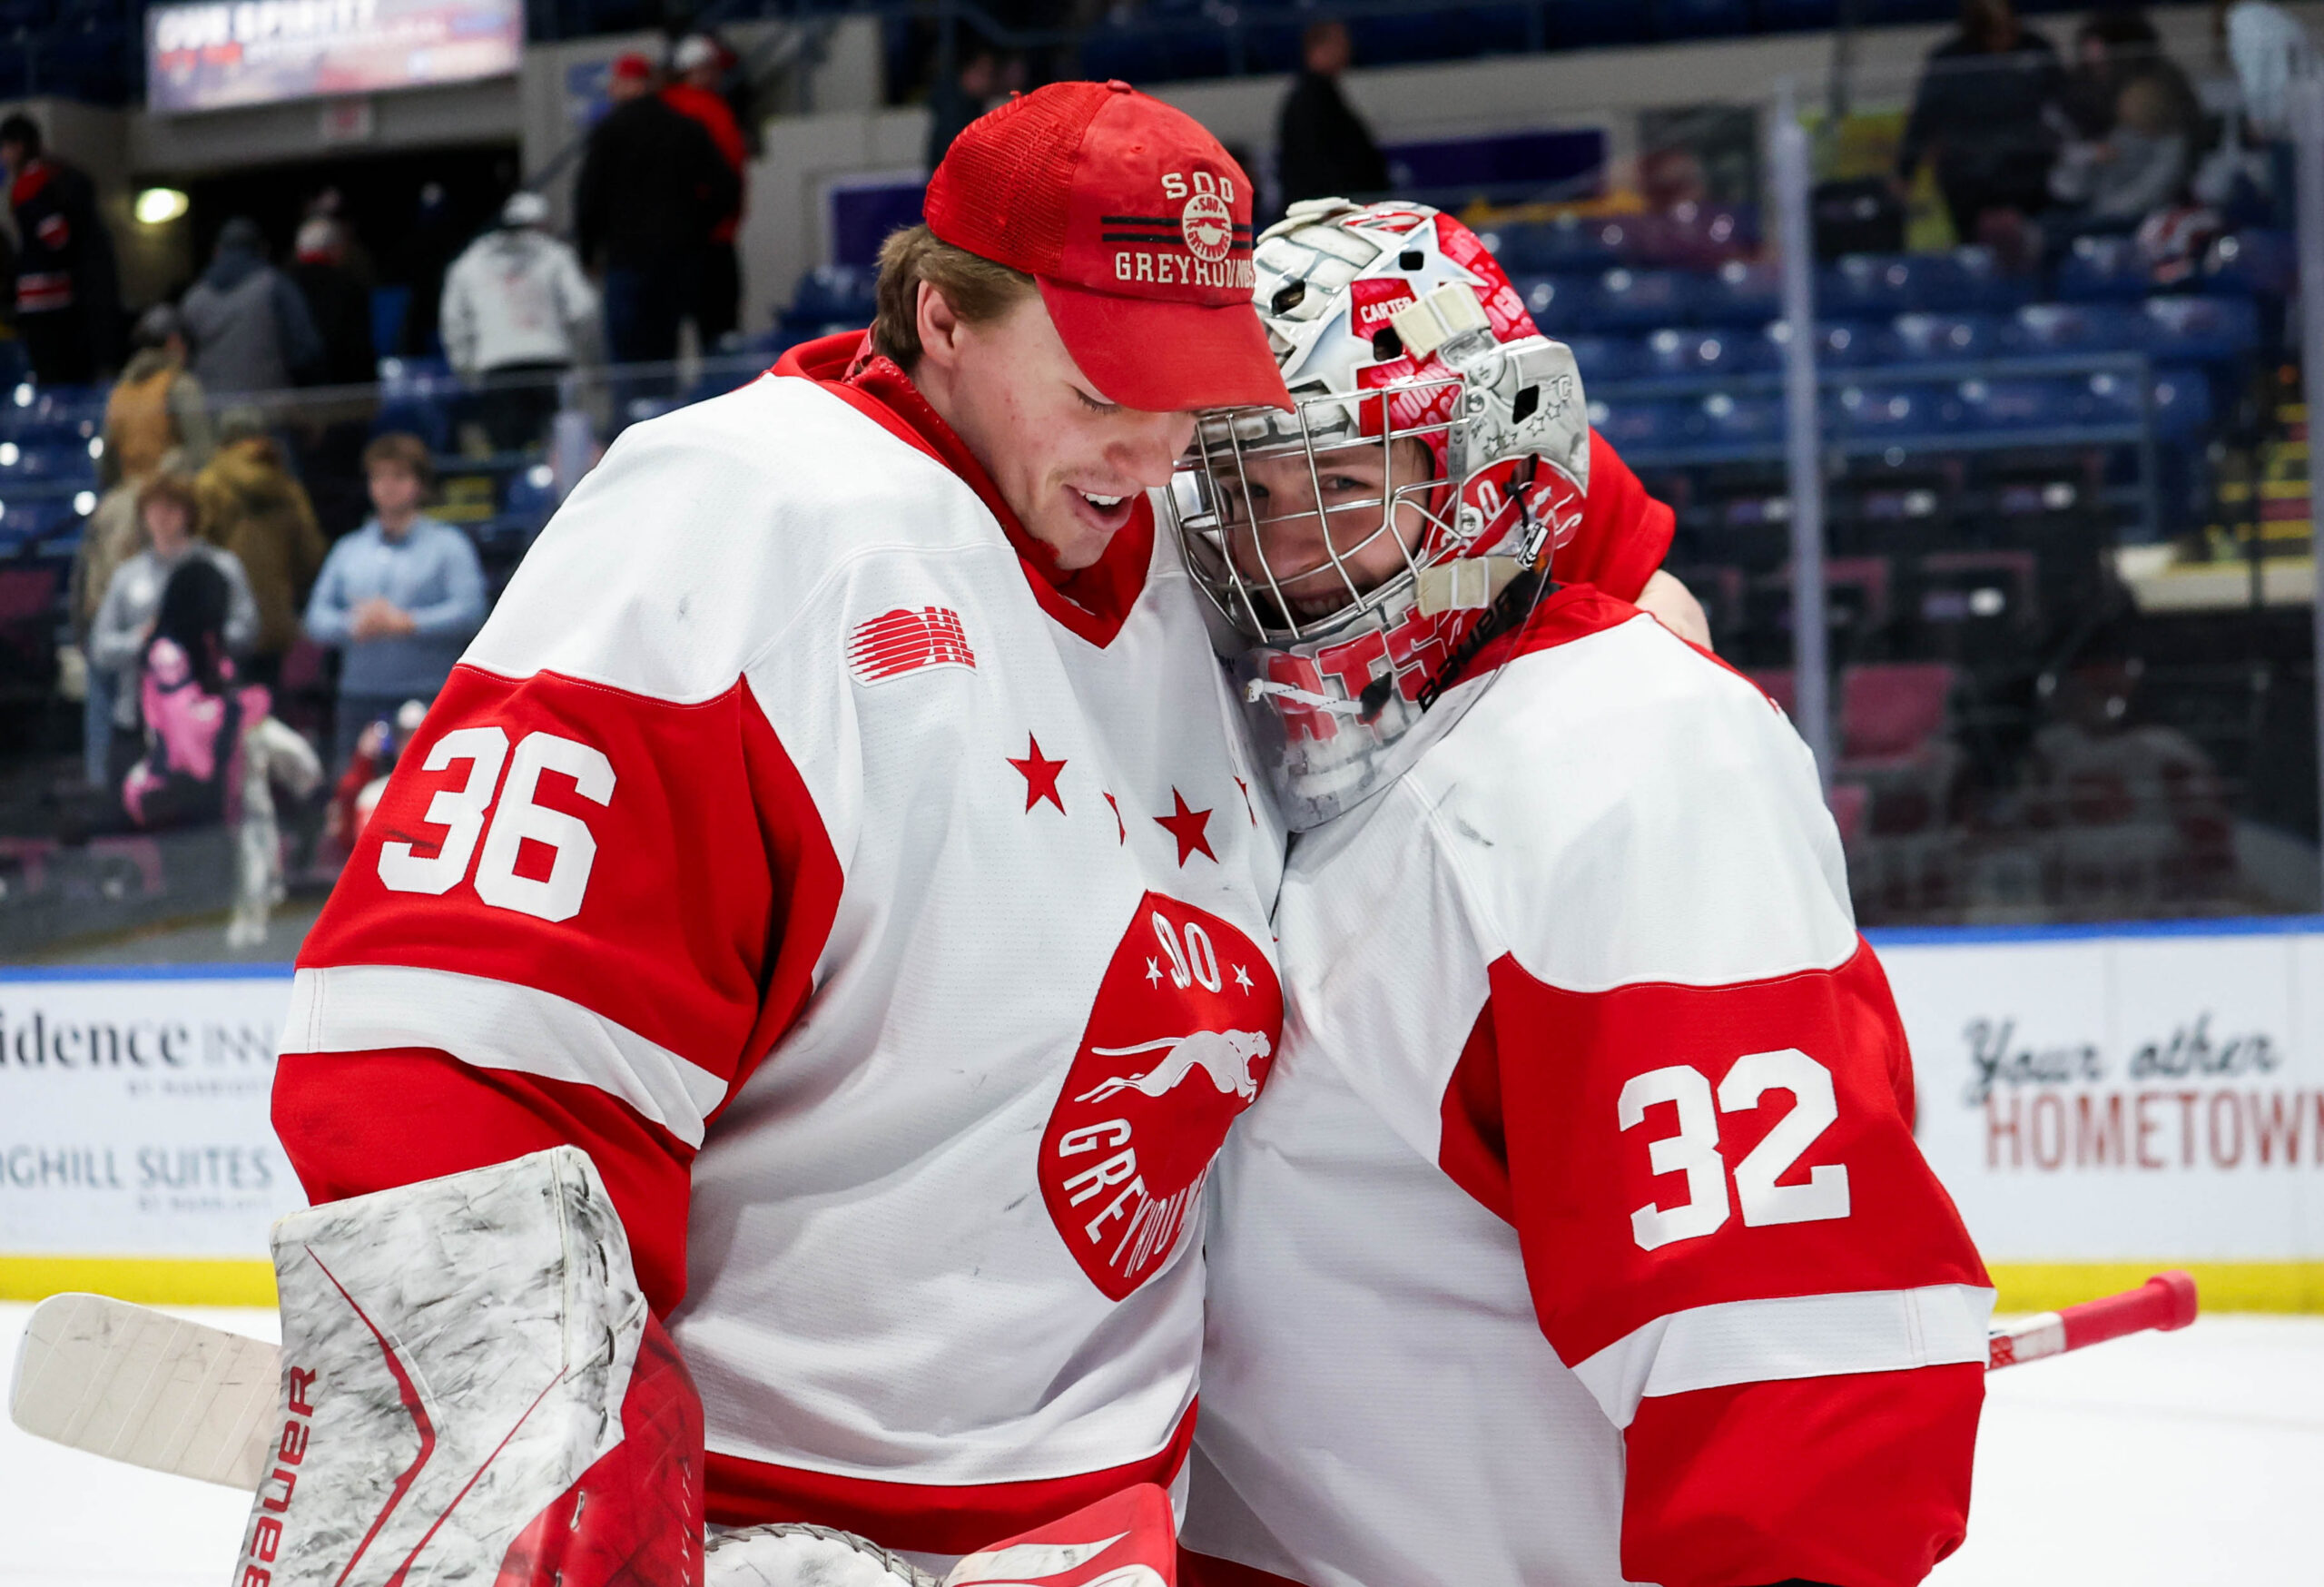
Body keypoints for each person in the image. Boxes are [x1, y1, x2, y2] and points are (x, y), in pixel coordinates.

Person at [251, 84, 1642, 1587]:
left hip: (1105, 1529)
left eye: (1193, 390)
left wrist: (1634, 584)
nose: (1154, 448)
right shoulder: (745, 521)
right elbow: (458, 1056)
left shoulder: (1193, 533)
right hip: (755, 1522)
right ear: (941, 318)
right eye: (1102, 387)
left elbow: (1481, 474)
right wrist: (532, 1471)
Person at [1173, 201, 1989, 1587]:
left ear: (1492, 473)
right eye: (1245, 497)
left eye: (1338, 487)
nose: (1281, 557)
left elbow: (1781, 1347)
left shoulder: (1623, 761)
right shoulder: (1286, 741)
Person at [301, 430, 486, 771]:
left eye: (399, 476)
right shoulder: (349, 548)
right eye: (379, 477)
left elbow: (471, 611)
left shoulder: (449, 546)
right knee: (354, 792)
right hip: (360, 696)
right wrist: (352, 625)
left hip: (428, 692)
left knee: (428, 791)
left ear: (420, 484)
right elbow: (315, 618)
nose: (387, 486)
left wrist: (407, 622)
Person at [574, 52, 740, 380]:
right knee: (666, 355)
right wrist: (697, 230)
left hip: (626, 260)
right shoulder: (684, 127)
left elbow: (588, 198)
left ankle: (634, 412)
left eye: (616, 83)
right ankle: (663, 409)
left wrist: (587, 254)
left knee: (629, 361)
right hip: (678, 259)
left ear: (629, 84)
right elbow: (727, 188)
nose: (611, 91)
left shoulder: (608, 130)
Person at [87, 472, 259, 773]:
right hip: (138, 716)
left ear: (188, 513)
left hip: (208, 713)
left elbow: (248, 630)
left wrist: (200, 637)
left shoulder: (221, 567)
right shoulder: (128, 575)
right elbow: (100, 646)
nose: (161, 517)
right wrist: (143, 640)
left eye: (171, 508)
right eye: (153, 508)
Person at [1896, 0, 2064, 251]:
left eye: (2008, 28)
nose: (2003, 38)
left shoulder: (2035, 49)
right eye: (1994, 31)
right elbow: (1924, 118)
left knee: (2035, 245)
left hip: (2031, 172)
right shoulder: (1951, 59)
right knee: (1979, 248)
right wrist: (1905, 171)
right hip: (1969, 178)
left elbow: (2066, 103)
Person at [439, 191, 599, 452]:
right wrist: (580, 354)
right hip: (551, 362)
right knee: (558, 453)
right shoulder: (555, 254)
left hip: (496, 368)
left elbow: (453, 324)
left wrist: (467, 369)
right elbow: (583, 309)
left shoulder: (469, 262)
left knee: (509, 455)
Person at [196, 409, 328, 688]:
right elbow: (310, 554)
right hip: (277, 616)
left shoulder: (207, 483)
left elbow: (197, 554)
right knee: (270, 704)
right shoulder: (285, 484)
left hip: (225, 621)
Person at [0, 113, 122, 387]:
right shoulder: (51, 174)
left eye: (4, 148)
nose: (3, 156)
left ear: (18, 146)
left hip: (43, 297)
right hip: (64, 293)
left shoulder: (30, 184)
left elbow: (56, 236)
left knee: (52, 377)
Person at [663, 34, 749, 348]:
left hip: (680, 238)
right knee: (717, 332)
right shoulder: (704, 108)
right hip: (708, 238)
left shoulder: (670, 105)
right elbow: (725, 173)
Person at [179, 217, 324, 396]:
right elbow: (306, 351)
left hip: (212, 405)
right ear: (262, 249)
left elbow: (182, 356)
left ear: (217, 251)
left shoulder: (194, 297)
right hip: (268, 404)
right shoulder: (275, 285)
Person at [1275, 22, 1389, 212]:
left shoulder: (1325, 93)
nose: (1347, 50)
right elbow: (1314, 164)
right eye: (1340, 44)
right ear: (1319, 48)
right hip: (1324, 209)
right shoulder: (1307, 100)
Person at [289, 215, 379, 388]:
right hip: (342, 390)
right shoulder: (351, 288)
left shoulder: (282, 286)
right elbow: (360, 351)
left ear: (299, 250)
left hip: (295, 391)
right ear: (336, 249)